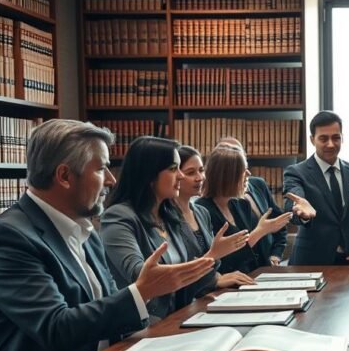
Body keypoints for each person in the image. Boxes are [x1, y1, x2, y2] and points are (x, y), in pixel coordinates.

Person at [0, 120, 214, 351]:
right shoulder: (8, 238)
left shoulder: (85, 230)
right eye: (101, 169)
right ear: (64, 176)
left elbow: (108, 311)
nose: (111, 180)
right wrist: (142, 292)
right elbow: (56, 328)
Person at [101, 137, 244, 321]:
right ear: (149, 175)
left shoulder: (169, 215)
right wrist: (211, 256)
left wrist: (212, 258)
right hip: (141, 328)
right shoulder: (118, 217)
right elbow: (142, 276)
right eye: (173, 168)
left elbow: (188, 285)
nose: (181, 176)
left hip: (178, 319)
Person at [283, 111, 349, 266]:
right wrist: (302, 213)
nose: (331, 144)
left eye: (336, 138)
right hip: (309, 262)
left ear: (342, 138)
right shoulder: (296, 172)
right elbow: (294, 202)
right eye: (323, 138)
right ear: (312, 140)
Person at [197, 144, 295, 273]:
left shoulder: (239, 203)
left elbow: (253, 254)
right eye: (243, 171)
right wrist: (260, 231)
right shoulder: (203, 210)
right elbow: (223, 263)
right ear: (228, 176)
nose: (248, 174)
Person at [173, 145, 255, 288]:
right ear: (177, 175)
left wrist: (217, 277)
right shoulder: (169, 217)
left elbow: (214, 264)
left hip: (211, 290)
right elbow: (182, 267)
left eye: (201, 171)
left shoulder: (201, 213)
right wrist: (216, 278)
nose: (199, 178)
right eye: (191, 173)